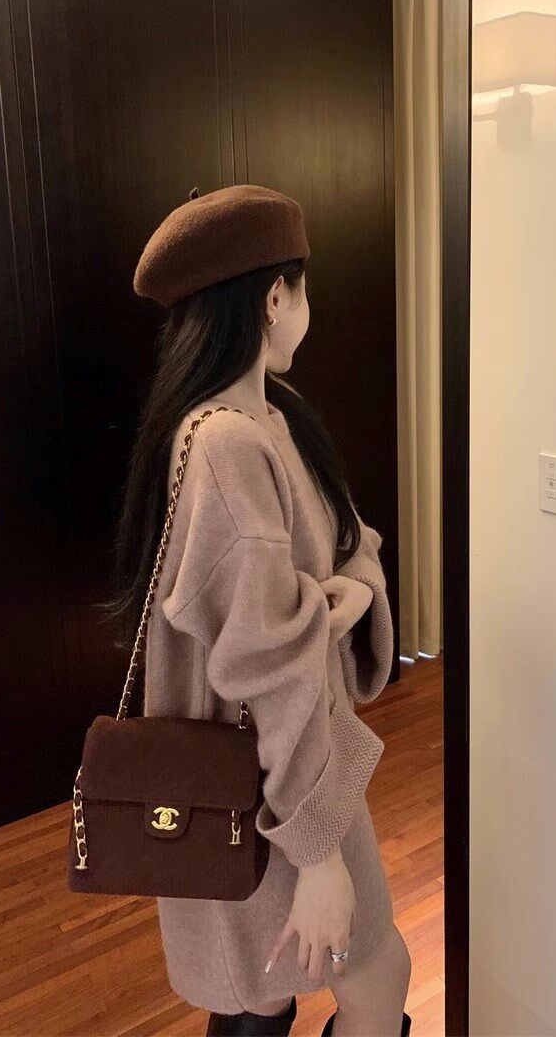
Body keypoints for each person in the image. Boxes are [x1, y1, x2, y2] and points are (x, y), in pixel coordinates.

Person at [106, 185, 412, 1036]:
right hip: (274, 782)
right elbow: (264, 663)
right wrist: (317, 855)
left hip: (291, 765)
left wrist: (352, 590)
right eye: (302, 289)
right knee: (362, 977)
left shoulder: (276, 417)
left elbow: (350, 536)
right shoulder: (227, 445)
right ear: (276, 297)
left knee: (267, 992)